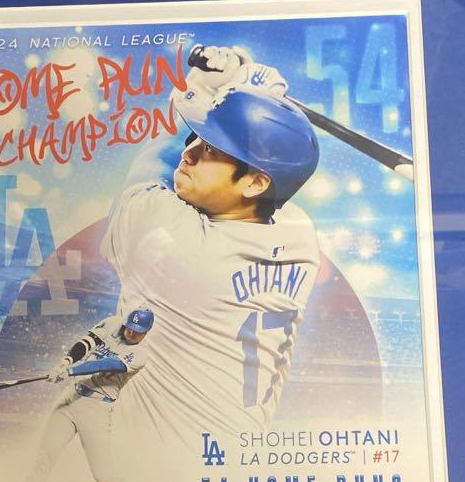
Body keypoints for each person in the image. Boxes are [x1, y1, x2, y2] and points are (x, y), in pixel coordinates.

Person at [102, 44, 321, 448]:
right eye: (196, 139)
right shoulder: (299, 237)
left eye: (211, 150)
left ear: (256, 182)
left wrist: (207, 86)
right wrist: (250, 106)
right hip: (234, 464)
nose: (189, 153)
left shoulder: (172, 239)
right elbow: (284, 166)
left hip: (153, 463)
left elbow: (157, 161)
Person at [5, 307, 163, 482]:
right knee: (43, 460)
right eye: (129, 327)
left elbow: (105, 364)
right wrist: (66, 361)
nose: (130, 333)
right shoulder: (113, 323)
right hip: (71, 397)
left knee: (104, 475)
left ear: (146, 332)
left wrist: (70, 370)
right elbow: (86, 342)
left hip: (96, 408)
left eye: (136, 331)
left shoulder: (140, 355)